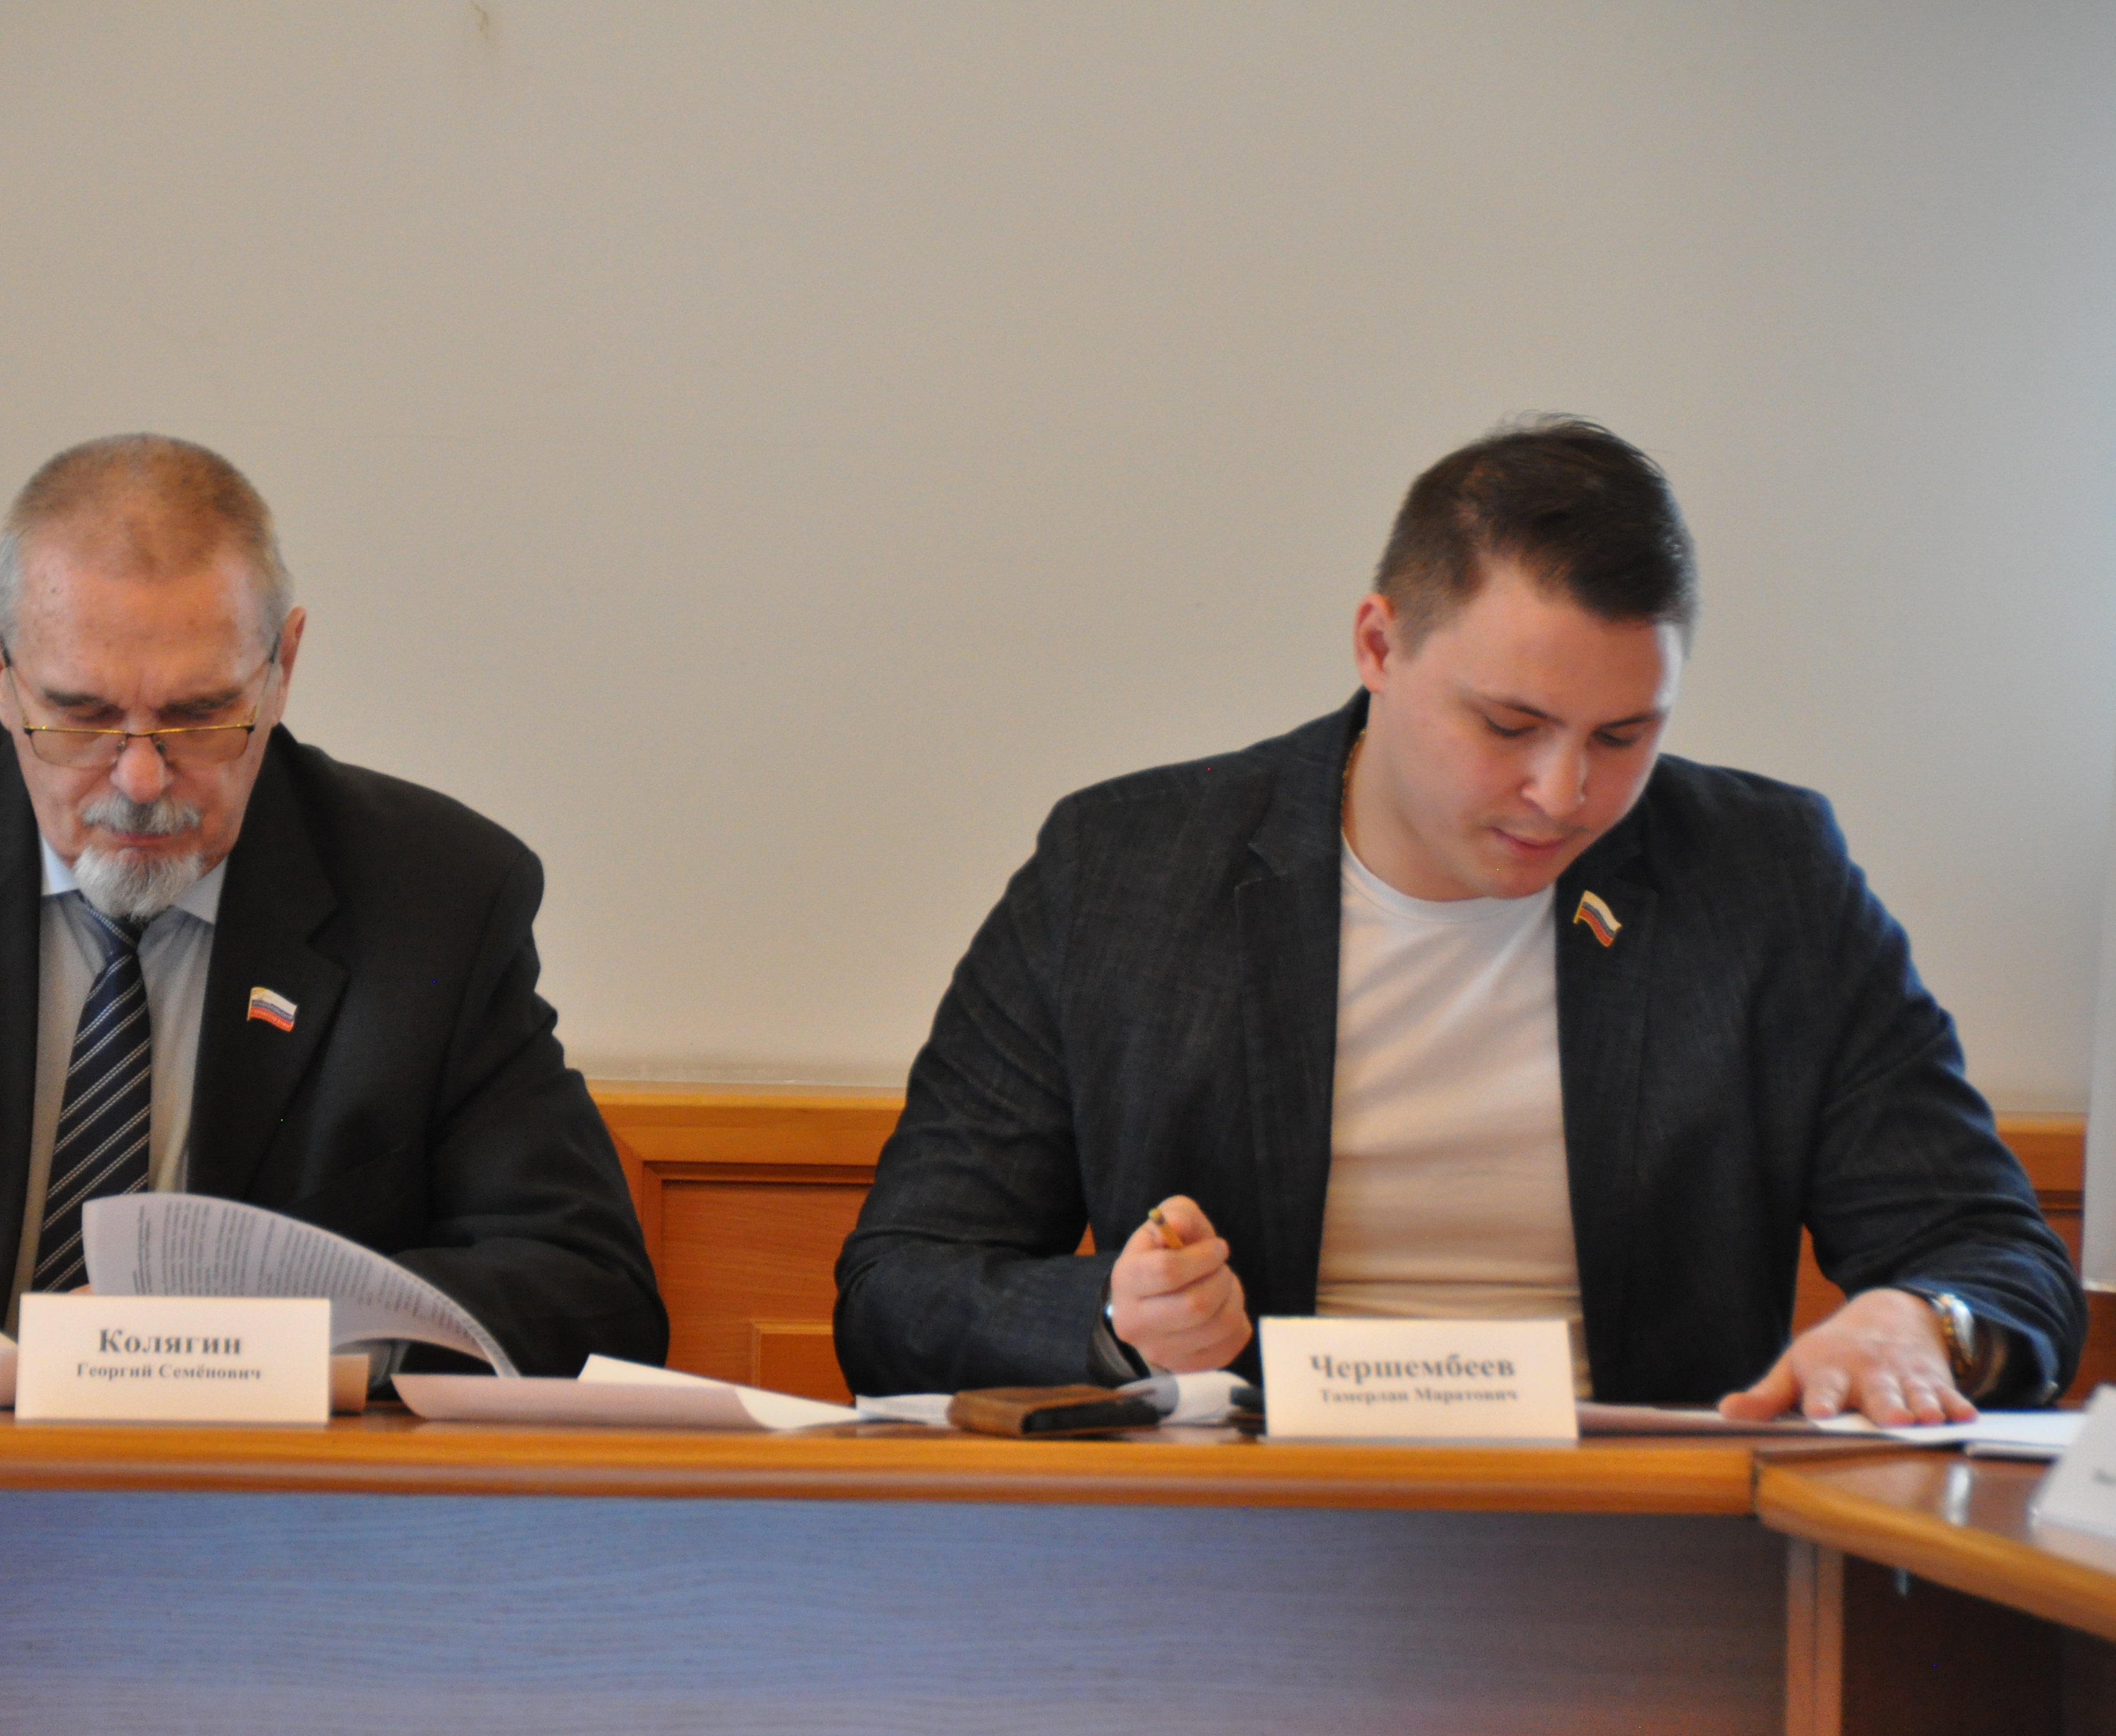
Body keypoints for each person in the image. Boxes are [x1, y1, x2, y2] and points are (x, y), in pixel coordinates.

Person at [834, 417, 2082, 1423]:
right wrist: (1114, 1322)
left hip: (1644, 1542)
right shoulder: (1124, 871)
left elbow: (1994, 1256)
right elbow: (896, 1288)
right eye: (1509, 724)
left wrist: (1926, 1321)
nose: (1563, 793)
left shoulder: (1767, 879)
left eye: (1622, 736)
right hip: (1237, 1536)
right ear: (1379, 644)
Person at [0, 434, 666, 1381]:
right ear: (1, 671)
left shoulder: (437, 895)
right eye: (80, 716)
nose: (142, 779)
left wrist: (286, 1338)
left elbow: (590, 1288)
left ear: (284, 668)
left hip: (281, 1506)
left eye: (201, 717)